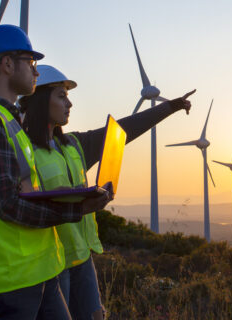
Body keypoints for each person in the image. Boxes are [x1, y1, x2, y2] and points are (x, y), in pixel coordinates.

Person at [0, 25, 112, 320]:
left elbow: (26, 193)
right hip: (5, 282)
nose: (36, 72)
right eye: (31, 62)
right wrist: (76, 209)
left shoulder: (9, 123)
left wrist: (73, 197)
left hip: (37, 272)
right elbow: (7, 204)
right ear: (8, 65)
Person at [19, 64, 195, 320]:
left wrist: (170, 106)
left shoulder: (74, 145)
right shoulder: (24, 152)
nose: (69, 103)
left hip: (82, 259)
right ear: (40, 100)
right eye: (61, 96)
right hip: (51, 265)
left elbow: (123, 131)